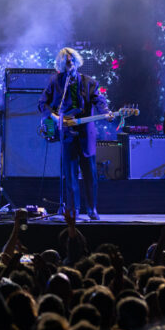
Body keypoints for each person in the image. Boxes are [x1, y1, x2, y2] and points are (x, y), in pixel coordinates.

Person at [38, 47, 112, 220]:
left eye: (71, 60)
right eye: (66, 61)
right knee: (70, 174)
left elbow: (99, 100)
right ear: (61, 64)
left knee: (90, 173)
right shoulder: (55, 82)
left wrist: (106, 111)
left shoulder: (89, 82)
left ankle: (92, 209)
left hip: (85, 133)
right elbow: (42, 103)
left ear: (77, 61)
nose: (69, 63)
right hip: (66, 132)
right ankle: (73, 209)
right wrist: (55, 117)